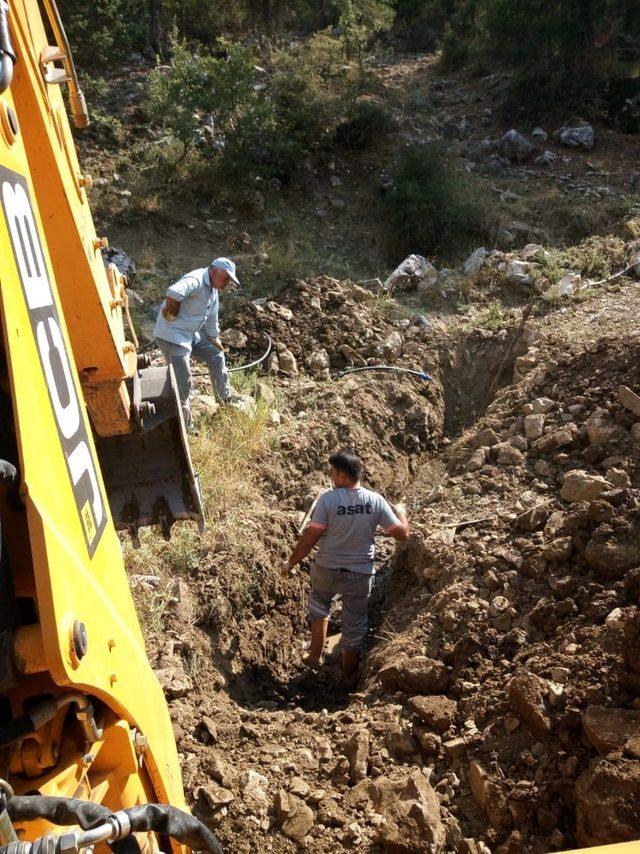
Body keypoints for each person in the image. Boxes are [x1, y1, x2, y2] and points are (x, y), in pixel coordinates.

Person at [284, 449, 409, 685]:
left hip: (327, 570)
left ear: (342, 475)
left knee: (319, 606)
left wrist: (291, 562)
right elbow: (401, 535)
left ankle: (313, 657)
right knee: (355, 624)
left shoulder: (328, 500)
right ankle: (348, 676)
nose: (330, 477)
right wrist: (402, 514)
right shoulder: (375, 501)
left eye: (332, 472)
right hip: (359, 575)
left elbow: (311, 536)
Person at [154, 258, 239, 423]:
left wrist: (215, 338)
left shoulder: (213, 291)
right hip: (173, 337)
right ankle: (185, 424)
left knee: (216, 355)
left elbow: (212, 320)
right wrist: (173, 310)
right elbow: (173, 292)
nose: (228, 282)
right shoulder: (197, 279)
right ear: (216, 271)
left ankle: (224, 399)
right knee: (183, 381)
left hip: (190, 335)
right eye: (227, 278)